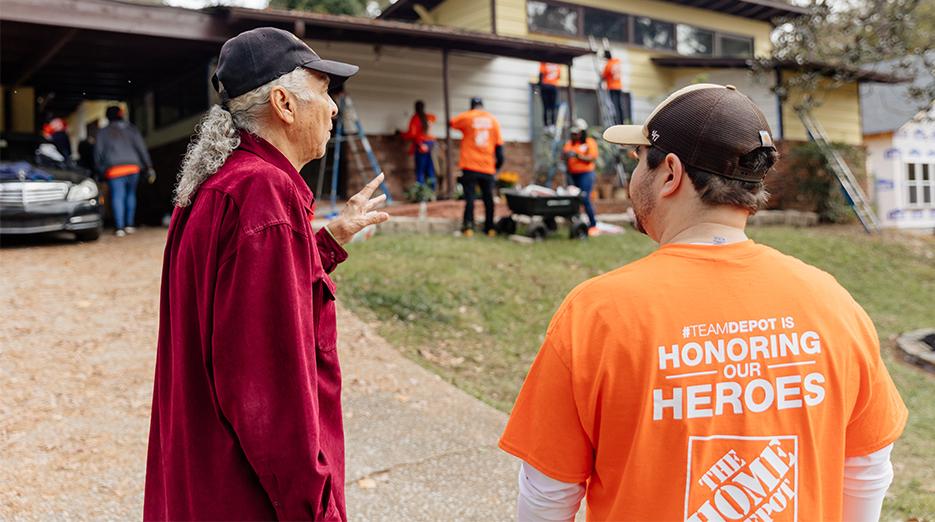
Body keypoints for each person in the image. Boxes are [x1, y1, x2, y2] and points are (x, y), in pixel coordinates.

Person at [499, 84, 907, 521]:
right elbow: (866, 467)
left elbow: (548, 492)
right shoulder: (832, 303)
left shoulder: (596, 314)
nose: (635, 177)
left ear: (670, 173)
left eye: (639, 161)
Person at [144, 27, 389, 521]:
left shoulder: (225, 181)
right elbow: (267, 395)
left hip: (206, 478)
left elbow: (248, 297)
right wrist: (316, 510)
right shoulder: (263, 192)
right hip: (247, 497)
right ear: (283, 102)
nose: (334, 108)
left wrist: (328, 241)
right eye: (323, 91)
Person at [94, 106, 154, 236]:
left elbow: (98, 152)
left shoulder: (103, 132)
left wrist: (99, 169)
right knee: (130, 195)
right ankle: (129, 225)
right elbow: (141, 148)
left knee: (117, 196)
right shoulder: (132, 129)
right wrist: (148, 166)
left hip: (114, 169)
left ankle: (120, 227)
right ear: (121, 114)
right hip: (133, 167)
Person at [450, 97, 504, 237]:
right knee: (488, 199)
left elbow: (452, 123)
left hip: (470, 166)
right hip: (487, 167)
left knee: (470, 198)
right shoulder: (493, 120)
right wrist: (497, 165)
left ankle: (469, 227)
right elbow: (499, 149)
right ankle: (490, 228)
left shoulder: (468, 117)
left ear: (472, 106)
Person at [562, 118, 599, 236]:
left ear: (582, 132)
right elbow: (563, 156)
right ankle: (577, 223)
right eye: (573, 133)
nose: (574, 135)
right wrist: (566, 156)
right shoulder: (569, 144)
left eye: (576, 133)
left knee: (584, 198)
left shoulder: (589, 142)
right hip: (572, 174)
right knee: (574, 199)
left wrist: (578, 156)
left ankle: (593, 225)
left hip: (586, 174)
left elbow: (592, 158)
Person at [402, 100, 437, 190]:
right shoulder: (429, 117)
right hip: (431, 144)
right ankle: (432, 190)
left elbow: (411, 134)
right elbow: (434, 118)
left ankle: (421, 192)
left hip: (421, 145)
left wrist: (401, 134)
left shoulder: (416, 118)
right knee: (430, 169)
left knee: (420, 170)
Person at [601, 50, 629, 125]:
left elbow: (603, 76)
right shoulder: (617, 62)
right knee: (620, 105)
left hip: (612, 87)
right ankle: (622, 121)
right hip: (619, 86)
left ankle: (617, 122)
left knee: (614, 106)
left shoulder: (608, 65)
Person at [538, 62, 561, 131]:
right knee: (552, 107)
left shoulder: (544, 63)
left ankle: (546, 125)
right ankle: (552, 125)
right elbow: (559, 76)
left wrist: (539, 85)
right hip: (553, 86)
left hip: (545, 86)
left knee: (545, 107)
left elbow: (541, 74)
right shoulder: (557, 64)